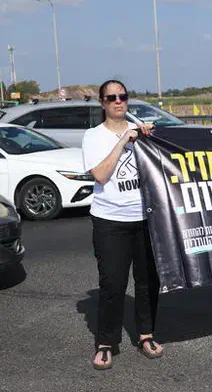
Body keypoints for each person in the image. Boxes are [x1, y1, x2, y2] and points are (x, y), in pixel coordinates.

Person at [82, 80, 162, 370]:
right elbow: (101, 175)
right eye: (111, 97)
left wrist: (148, 137)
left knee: (148, 281)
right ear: (102, 103)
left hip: (146, 219)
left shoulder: (143, 131)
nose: (118, 101)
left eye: (123, 96)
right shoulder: (93, 136)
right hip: (110, 222)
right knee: (113, 283)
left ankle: (146, 334)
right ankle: (106, 342)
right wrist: (123, 141)